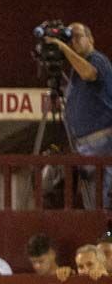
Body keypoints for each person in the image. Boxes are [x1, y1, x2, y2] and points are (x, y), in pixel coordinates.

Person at [49, 23, 112, 210]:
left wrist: (63, 48)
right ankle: (101, 235)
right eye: (69, 39)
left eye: (77, 36)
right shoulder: (74, 71)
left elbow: (89, 73)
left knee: (102, 198)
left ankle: (107, 236)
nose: (73, 42)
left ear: (90, 38)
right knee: (92, 200)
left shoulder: (97, 59)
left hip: (102, 141)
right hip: (85, 144)